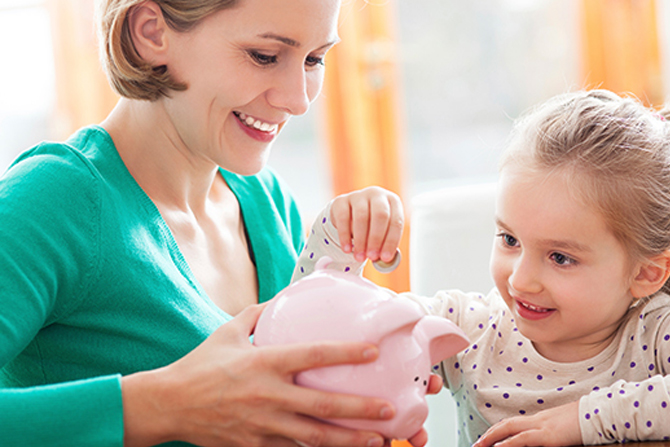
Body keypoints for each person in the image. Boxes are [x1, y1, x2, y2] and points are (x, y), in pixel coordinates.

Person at [0, 0, 441, 446]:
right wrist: (165, 404)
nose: (298, 100)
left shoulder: (266, 203)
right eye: (264, 56)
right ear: (151, 33)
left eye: (314, 59)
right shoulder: (54, 199)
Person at [295, 89, 670, 447]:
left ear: (646, 274)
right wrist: (336, 240)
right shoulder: (468, 326)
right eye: (509, 240)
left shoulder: (654, 334)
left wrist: (584, 420)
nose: (521, 280)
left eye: (560, 258)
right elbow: (309, 344)